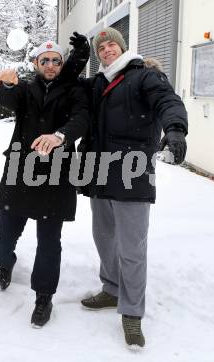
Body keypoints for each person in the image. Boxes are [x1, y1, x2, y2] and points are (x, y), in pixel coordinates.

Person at [78, 27, 188, 347]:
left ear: (122, 47)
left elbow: (168, 101)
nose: (107, 50)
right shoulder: (98, 82)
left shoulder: (144, 76)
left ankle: (132, 313)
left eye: (112, 44)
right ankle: (112, 289)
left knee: (131, 248)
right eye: (101, 47)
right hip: (100, 173)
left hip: (132, 174)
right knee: (104, 238)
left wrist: (176, 130)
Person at [0, 38, 90, 328]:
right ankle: (6, 263)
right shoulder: (25, 88)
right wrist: (7, 85)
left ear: (62, 64)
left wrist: (59, 136)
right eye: (44, 60)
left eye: (56, 60)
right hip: (20, 172)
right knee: (4, 238)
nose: (50, 65)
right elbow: (7, 101)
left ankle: (44, 297)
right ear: (36, 64)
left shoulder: (74, 89)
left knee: (49, 243)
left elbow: (81, 119)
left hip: (57, 177)